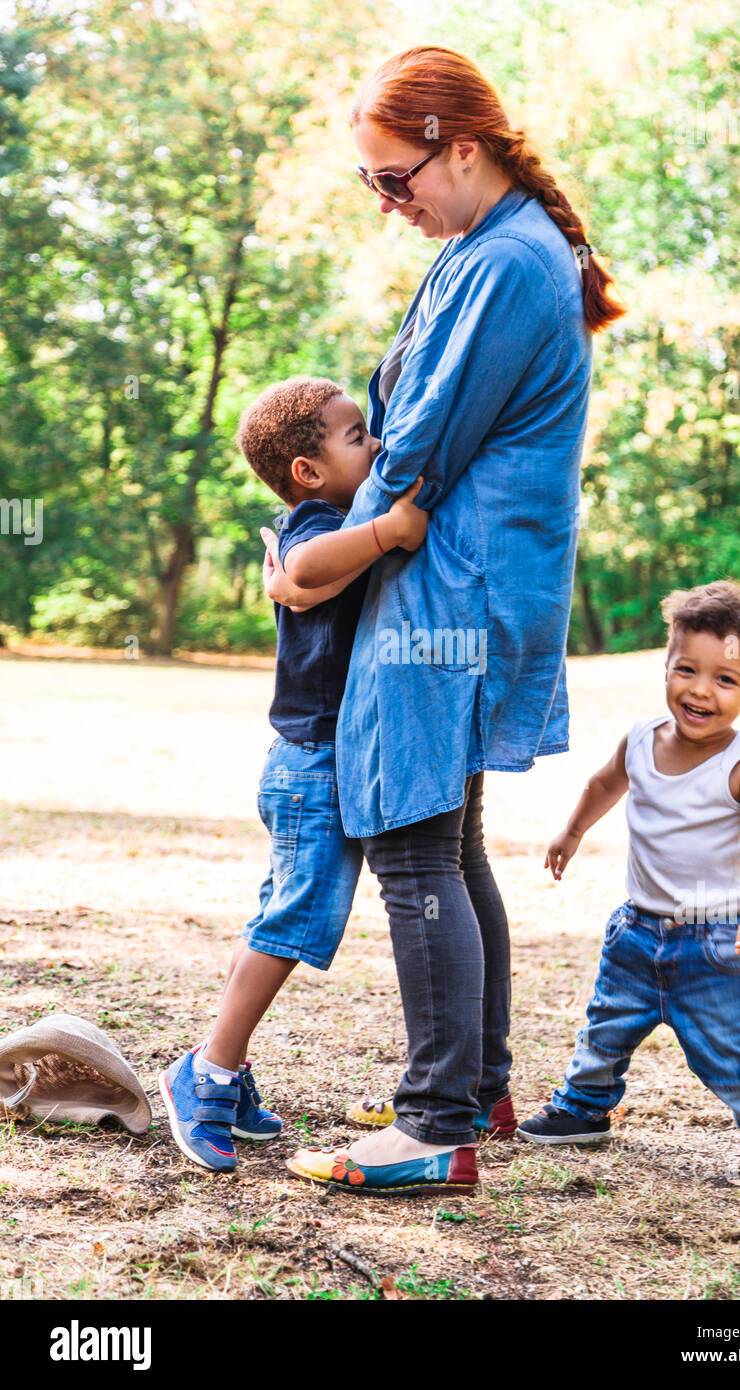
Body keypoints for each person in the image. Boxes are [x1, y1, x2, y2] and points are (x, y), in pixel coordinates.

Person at [267, 46, 625, 1196]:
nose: (388, 203)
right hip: (462, 588)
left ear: (456, 146)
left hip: (446, 597)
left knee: (411, 843)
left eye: (392, 177)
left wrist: (315, 561)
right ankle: (475, 1089)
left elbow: (415, 446)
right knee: (449, 843)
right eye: (373, 184)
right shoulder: (499, 250)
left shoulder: (506, 262)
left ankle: (433, 1128)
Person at [158, 376, 427, 1172]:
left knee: (284, 917)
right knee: (293, 922)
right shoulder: (317, 522)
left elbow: (303, 579)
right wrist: (390, 530)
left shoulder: (337, 519)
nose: (374, 444)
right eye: (355, 437)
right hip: (312, 760)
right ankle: (205, 1073)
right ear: (307, 471)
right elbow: (304, 569)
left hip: (316, 759)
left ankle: (225, 1068)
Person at [517, 581, 740, 1192]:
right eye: (687, 670)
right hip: (636, 930)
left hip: (713, 945)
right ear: (666, 667)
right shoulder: (641, 737)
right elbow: (605, 784)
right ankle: (584, 1106)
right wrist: (571, 834)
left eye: (726, 680)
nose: (701, 690)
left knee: (733, 1050)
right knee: (606, 1024)